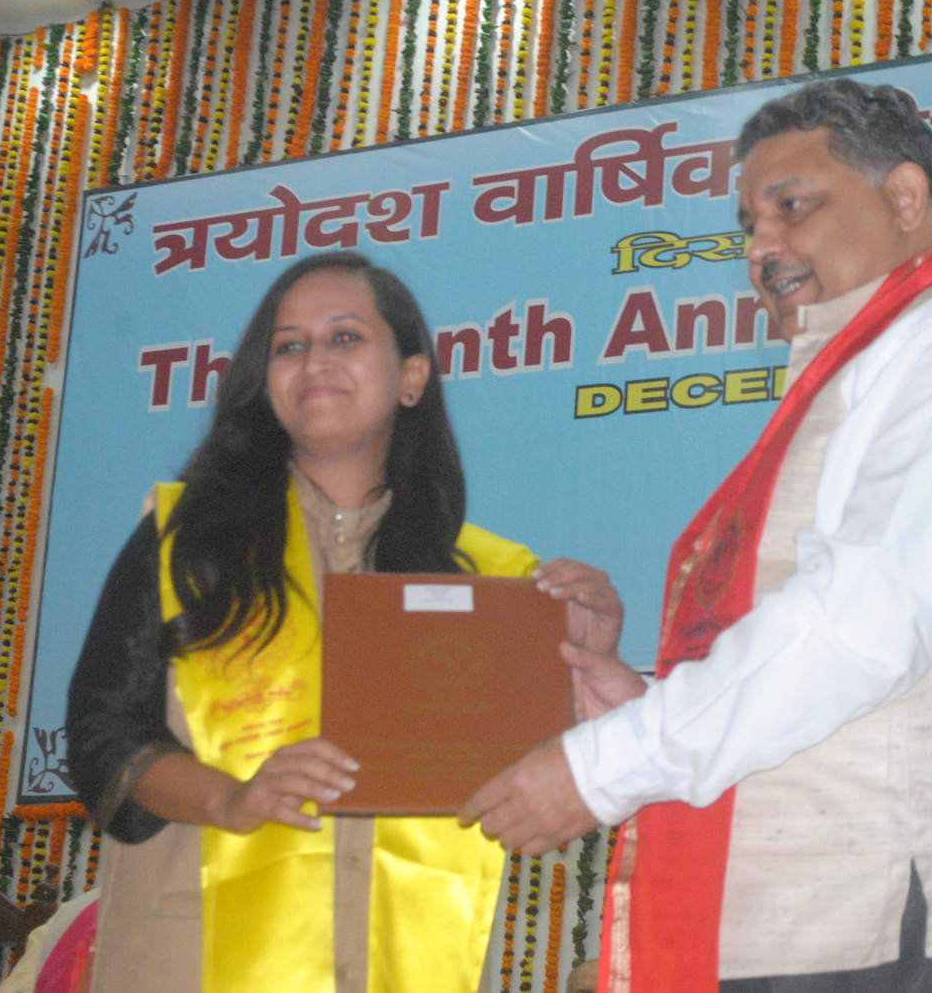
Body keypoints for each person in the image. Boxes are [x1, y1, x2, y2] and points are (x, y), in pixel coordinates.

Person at [459, 79, 932, 993]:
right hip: (821, 926)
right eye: (748, 224)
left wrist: (603, 765)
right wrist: (642, 707)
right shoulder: (861, 368)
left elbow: (865, 621)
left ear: (903, 197)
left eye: (792, 207)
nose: (760, 247)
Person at [66, 251, 621, 993]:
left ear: (412, 376)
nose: (313, 361)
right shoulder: (184, 540)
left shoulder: (484, 577)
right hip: (194, 955)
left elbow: (527, 789)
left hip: (413, 959)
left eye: (345, 337)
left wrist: (578, 669)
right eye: (288, 345)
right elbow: (103, 736)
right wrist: (229, 797)